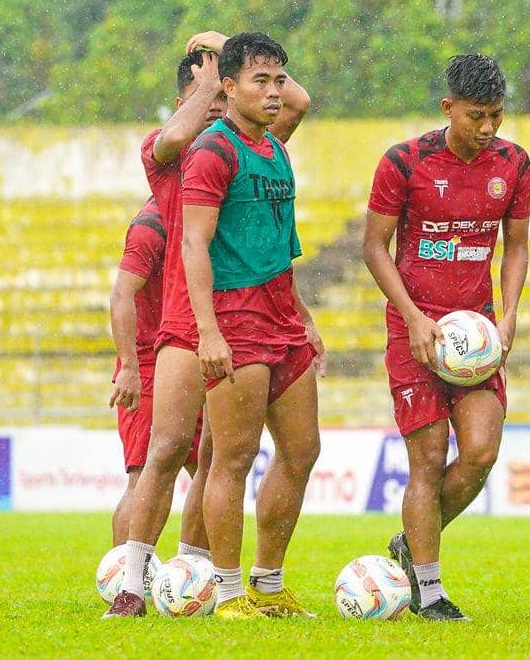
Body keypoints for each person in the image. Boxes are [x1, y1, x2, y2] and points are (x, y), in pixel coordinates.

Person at [104, 31, 312, 619]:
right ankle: (132, 582)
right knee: (167, 449)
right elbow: (174, 134)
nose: (222, 113)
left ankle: (201, 571)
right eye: (213, 100)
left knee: (221, 451)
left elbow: (294, 103)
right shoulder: (171, 152)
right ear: (197, 96)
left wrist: (241, 53)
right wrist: (211, 80)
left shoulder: (257, 145)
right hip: (185, 318)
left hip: (248, 314)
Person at [362, 54, 530, 621]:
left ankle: (410, 544)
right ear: (448, 108)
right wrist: (412, 317)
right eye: (476, 116)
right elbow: (374, 248)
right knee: (427, 461)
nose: (488, 129)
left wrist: (508, 316)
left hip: (477, 333)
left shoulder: (514, 164)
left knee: (481, 451)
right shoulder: (404, 161)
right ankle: (429, 590)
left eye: (497, 117)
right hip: (417, 331)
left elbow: (517, 247)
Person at [180, 31, 324, 620]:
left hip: (283, 313)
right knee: (232, 460)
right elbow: (194, 242)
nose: (273, 91)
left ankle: (268, 583)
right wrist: (208, 331)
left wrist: (304, 316)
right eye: (259, 81)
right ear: (228, 87)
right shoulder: (214, 150)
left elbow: (278, 246)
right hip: (236, 317)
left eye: (278, 79)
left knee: (302, 451)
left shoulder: (275, 148)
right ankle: (229, 591)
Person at [107, 196, 205, 548]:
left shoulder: (199, 216)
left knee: (209, 472)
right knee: (145, 473)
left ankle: (196, 574)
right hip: (148, 362)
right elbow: (122, 295)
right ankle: (124, 581)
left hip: (191, 356)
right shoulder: (152, 225)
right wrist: (129, 366)